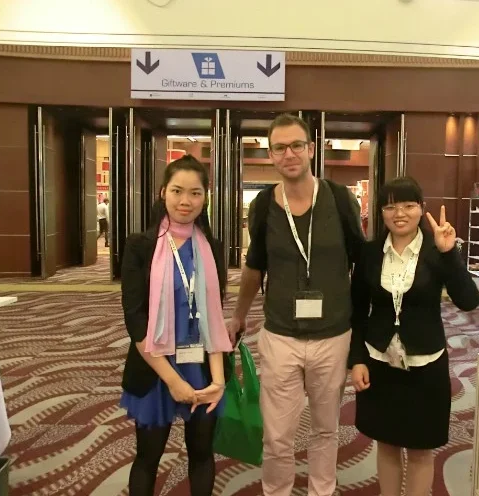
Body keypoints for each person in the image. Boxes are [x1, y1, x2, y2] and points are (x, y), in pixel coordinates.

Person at [228, 113, 364, 496]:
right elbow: (254, 267)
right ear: (271, 155)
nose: (289, 154)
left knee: (325, 429)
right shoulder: (263, 206)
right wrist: (238, 315)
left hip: (333, 335)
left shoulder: (340, 199)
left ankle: (322, 490)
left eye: (296, 145)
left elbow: (362, 262)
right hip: (281, 336)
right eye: (279, 148)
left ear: (311, 149)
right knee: (276, 436)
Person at [349, 176, 479, 496]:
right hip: (380, 363)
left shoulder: (437, 251)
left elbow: (469, 301)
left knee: (421, 449)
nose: (399, 214)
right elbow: (357, 311)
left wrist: (450, 255)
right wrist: (357, 360)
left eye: (408, 205)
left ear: (422, 209)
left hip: (426, 365)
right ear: (381, 212)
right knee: (387, 443)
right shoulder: (370, 253)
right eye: (390, 206)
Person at [120, 155, 233, 496]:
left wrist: (218, 380)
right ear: (163, 193)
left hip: (202, 364)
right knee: (148, 457)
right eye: (177, 191)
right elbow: (136, 322)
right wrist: (173, 381)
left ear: (205, 198)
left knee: (202, 455)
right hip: (155, 367)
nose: (186, 201)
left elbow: (215, 317)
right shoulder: (140, 246)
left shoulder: (211, 247)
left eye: (195, 193)